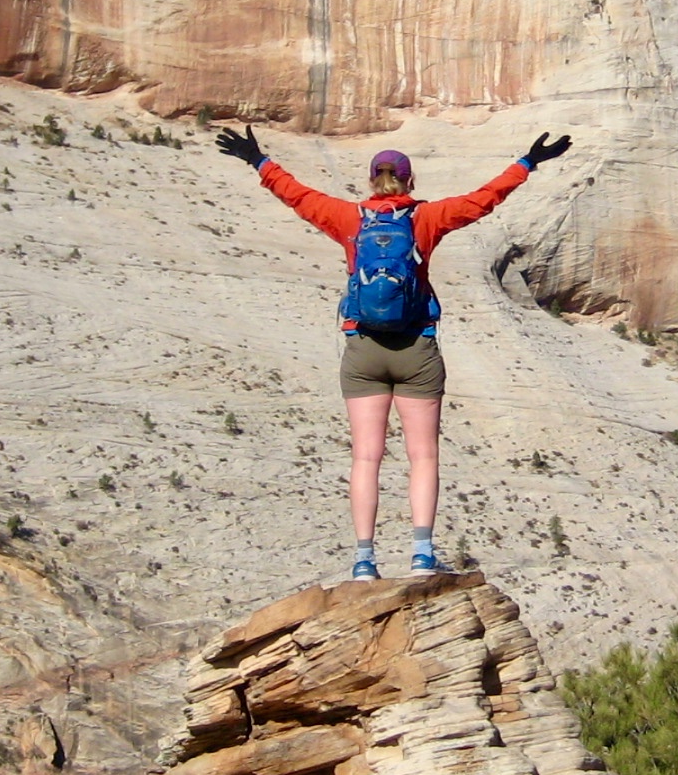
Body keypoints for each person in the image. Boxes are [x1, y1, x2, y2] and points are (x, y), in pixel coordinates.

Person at [216, 124, 573, 579]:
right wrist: (528, 162)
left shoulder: (348, 218)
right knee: (422, 455)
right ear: (410, 183)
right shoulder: (426, 219)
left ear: (371, 181)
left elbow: (298, 196)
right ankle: (422, 554)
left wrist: (258, 160)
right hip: (416, 349)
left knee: (366, 456)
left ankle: (364, 560)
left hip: (363, 349)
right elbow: (483, 199)